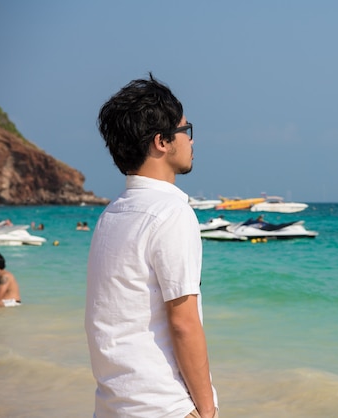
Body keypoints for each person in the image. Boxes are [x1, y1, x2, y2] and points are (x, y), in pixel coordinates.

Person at [85, 73, 218, 418]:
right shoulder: (171, 211)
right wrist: (207, 410)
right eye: (185, 131)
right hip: (163, 407)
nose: (191, 142)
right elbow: (183, 322)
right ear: (162, 141)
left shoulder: (111, 215)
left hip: (113, 404)